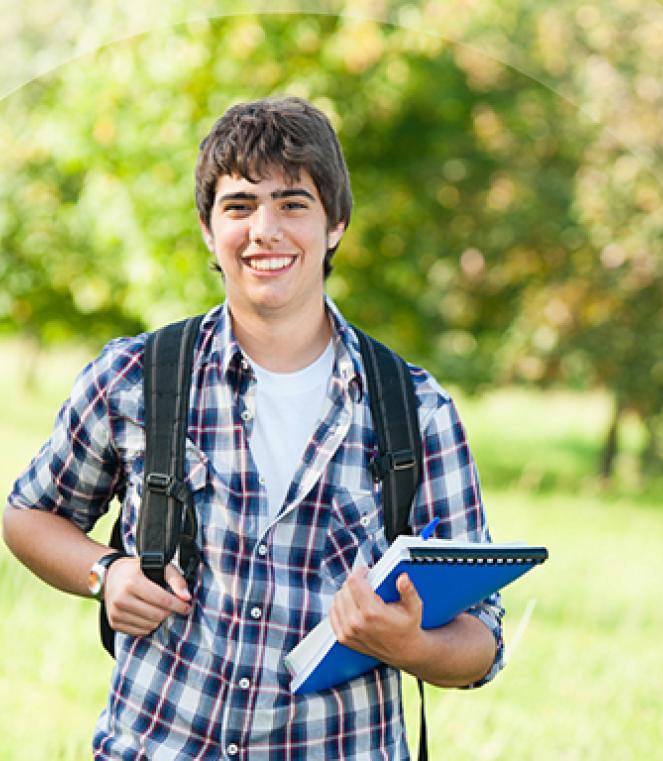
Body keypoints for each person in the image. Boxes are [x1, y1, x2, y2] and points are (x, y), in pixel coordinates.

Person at [2, 96, 504, 759]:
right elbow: (28, 515)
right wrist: (107, 572)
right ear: (209, 230)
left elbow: (482, 636)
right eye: (239, 206)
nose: (265, 230)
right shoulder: (136, 377)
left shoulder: (415, 409)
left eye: (293, 203)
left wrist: (411, 645)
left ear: (336, 224)